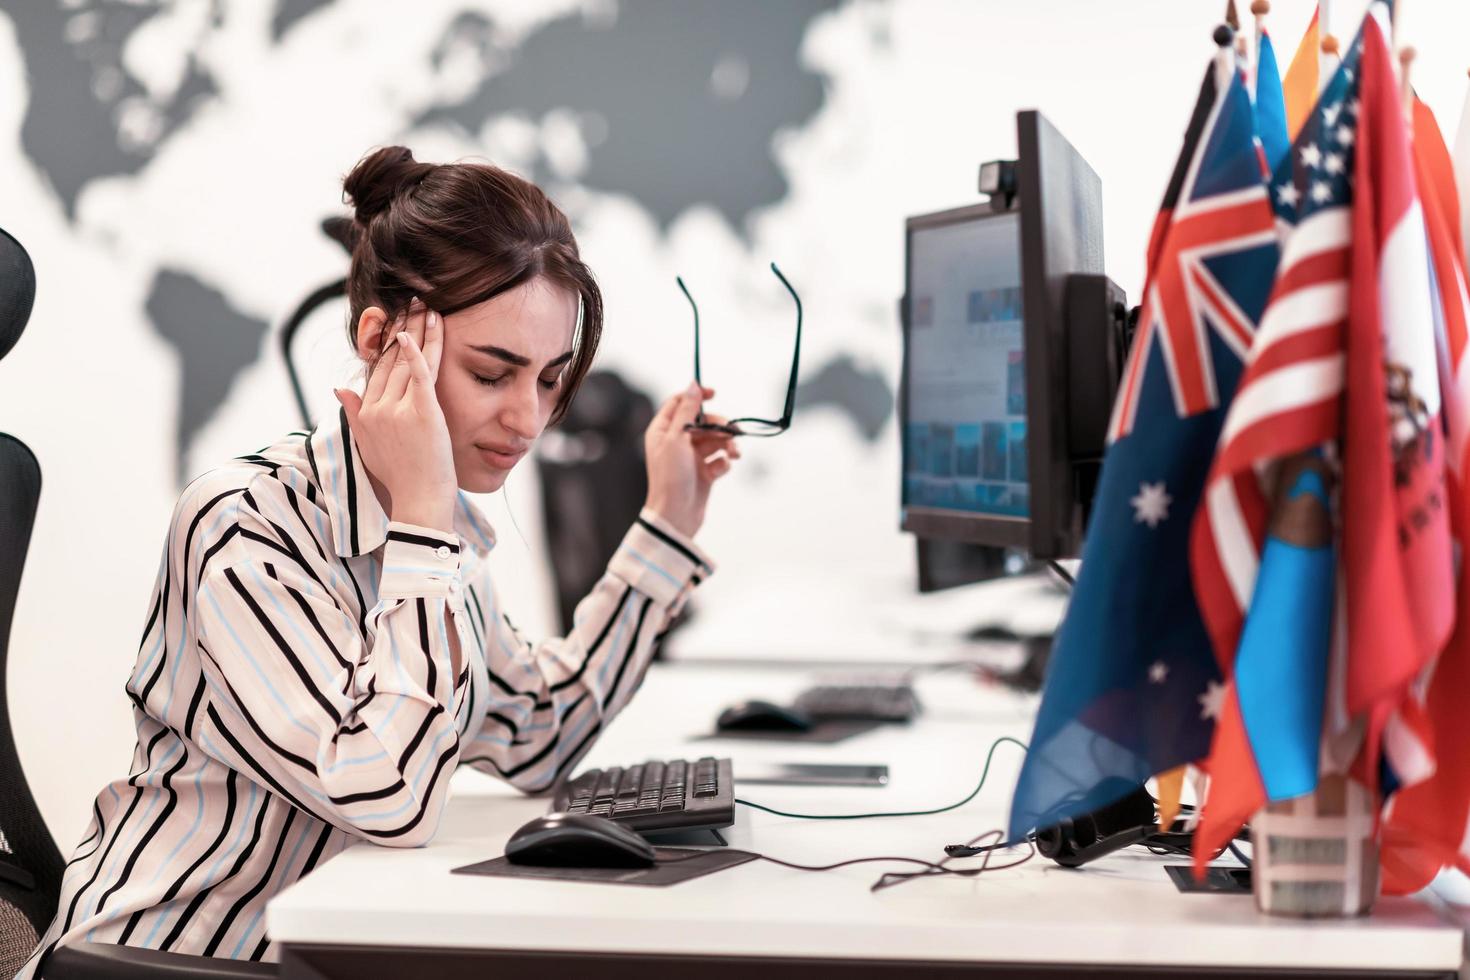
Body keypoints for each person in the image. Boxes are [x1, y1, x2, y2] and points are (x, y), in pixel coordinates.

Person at [18, 146, 738, 976]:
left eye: (547, 380)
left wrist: (665, 526)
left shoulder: (440, 536)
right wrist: (427, 526)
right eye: (491, 372)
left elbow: (542, 733)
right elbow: (386, 795)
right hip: (165, 967)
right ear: (382, 339)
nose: (528, 417)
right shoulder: (246, 527)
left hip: (305, 960)